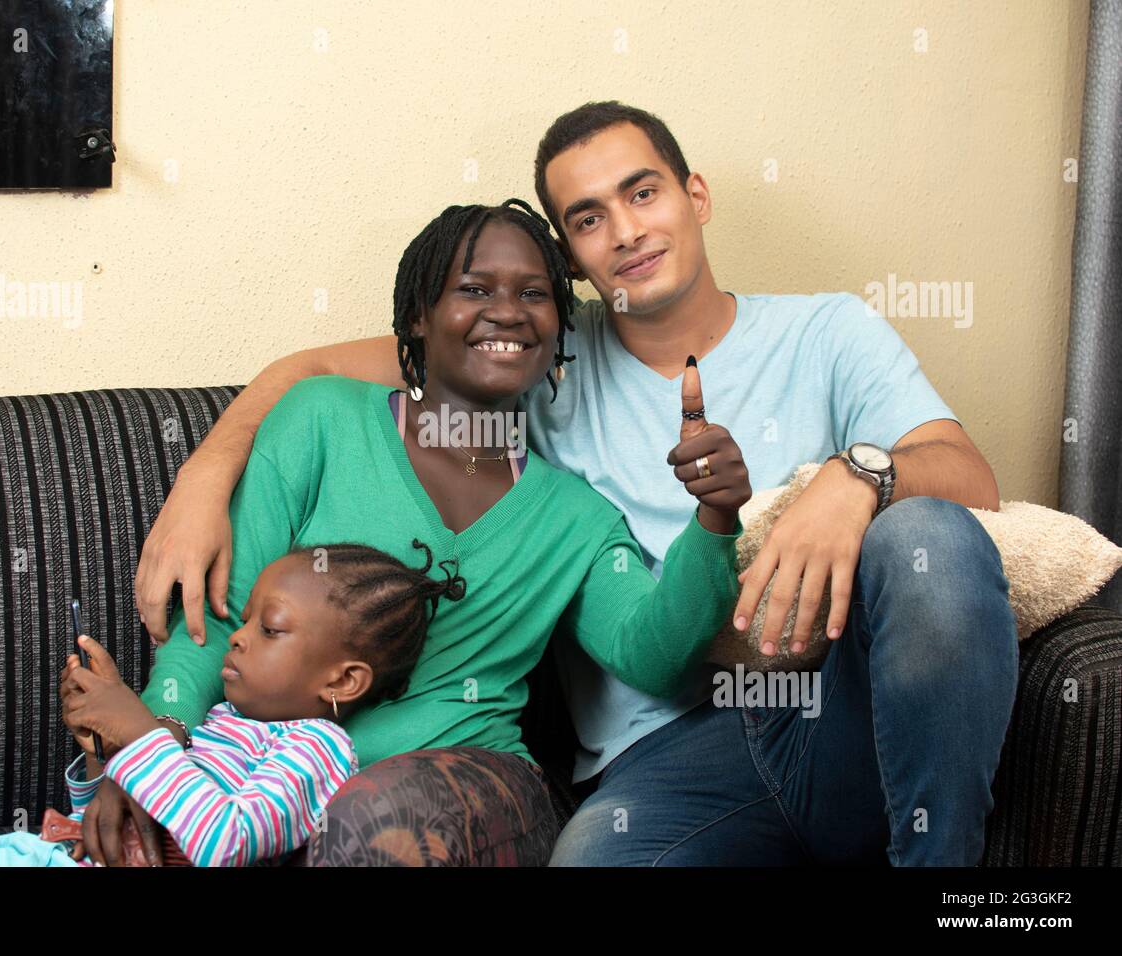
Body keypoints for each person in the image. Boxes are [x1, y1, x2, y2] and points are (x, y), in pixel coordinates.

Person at [135, 102, 1019, 866]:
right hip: (668, 753)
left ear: (695, 195)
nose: (627, 231)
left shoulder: (827, 332)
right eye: (590, 218)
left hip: (831, 718)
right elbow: (332, 369)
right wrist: (206, 474)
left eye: (644, 192)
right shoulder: (544, 358)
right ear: (574, 257)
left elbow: (967, 480)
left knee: (925, 537)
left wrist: (852, 477)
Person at [86, 197, 751, 866]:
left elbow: (655, 658)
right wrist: (152, 744)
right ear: (417, 316)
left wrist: (716, 518)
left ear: (558, 329)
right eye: (473, 289)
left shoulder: (574, 517)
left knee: (376, 819)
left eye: (535, 294)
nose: (509, 311)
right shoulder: (321, 421)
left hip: (473, 790)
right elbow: (217, 618)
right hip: (268, 790)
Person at [0, 542, 462, 867]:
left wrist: (137, 727)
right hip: (61, 853)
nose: (236, 636)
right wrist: (105, 756)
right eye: (242, 620)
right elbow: (117, 831)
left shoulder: (317, 752)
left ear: (344, 682)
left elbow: (225, 839)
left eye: (269, 629)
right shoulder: (228, 723)